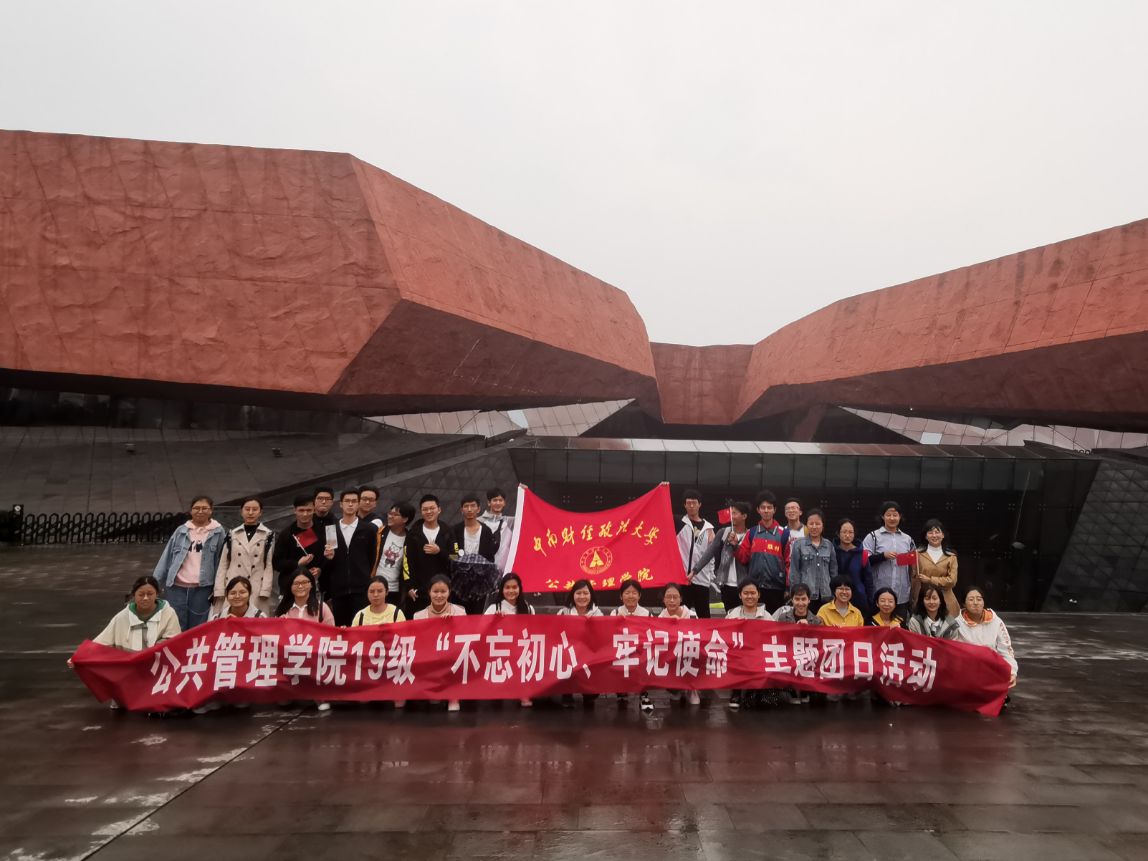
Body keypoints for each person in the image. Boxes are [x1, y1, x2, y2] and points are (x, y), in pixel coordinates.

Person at [152, 495, 227, 631]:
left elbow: (221, 561)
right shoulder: (181, 530)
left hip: (203, 589)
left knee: (198, 626)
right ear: (191, 511)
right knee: (174, 625)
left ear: (211, 510)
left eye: (204, 508)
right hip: (176, 587)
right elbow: (167, 557)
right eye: (196, 508)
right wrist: (154, 583)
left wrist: (218, 588)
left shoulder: (218, 532)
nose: (200, 511)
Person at [274, 568, 335, 712]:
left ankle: (319, 696)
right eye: (296, 583)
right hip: (290, 655)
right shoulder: (283, 608)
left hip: (315, 655)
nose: (300, 586)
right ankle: (287, 692)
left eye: (304, 583)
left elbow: (331, 634)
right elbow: (274, 636)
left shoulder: (321, 607)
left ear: (311, 585)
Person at [325, 489, 382, 627]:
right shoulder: (331, 529)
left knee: (360, 626)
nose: (350, 504)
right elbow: (329, 558)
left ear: (358, 504)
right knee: (341, 627)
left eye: (354, 501)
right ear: (341, 504)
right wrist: (329, 558)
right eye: (347, 501)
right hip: (338, 588)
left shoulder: (368, 529)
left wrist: (362, 574)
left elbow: (371, 557)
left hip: (361, 588)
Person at [412, 574, 465, 711]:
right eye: (435, 591)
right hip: (429, 656)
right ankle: (433, 689)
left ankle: (453, 695)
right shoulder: (418, 616)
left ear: (449, 592)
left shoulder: (459, 612)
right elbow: (417, 641)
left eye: (443, 591)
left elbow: (465, 637)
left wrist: (452, 624)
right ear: (429, 592)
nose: (439, 595)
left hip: (452, 655)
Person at [214, 496, 275, 616]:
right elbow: (223, 563)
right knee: (230, 619)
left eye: (255, 509)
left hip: (256, 585)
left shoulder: (268, 535)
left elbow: (269, 565)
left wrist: (265, 590)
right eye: (247, 509)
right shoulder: (232, 534)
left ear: (260, 512)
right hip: (233, 584)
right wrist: (220, 589)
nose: (250, 513)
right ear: (241, 512)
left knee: (255, 620)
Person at [89, 576, 181, 653]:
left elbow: (174, 643)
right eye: (141, 594)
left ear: (157, 595)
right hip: (129, 667)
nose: (145, 598)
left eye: (150, 594)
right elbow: (101, 643)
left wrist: (153, 651)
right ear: (134, 596)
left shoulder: (168, 613)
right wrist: (82, 656)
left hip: (157, 666)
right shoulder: (122, 617)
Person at [402, 495, 458, 616]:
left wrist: (440, 551)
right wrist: (409, 586)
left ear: (439, 510)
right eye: (425, 509)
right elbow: (407, 560)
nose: (429, 512)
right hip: (419, 591)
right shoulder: (413, 533)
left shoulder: (448, 532)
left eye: (432, 508)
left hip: (442, 591)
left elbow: (455, 558)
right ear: (421, 512)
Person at [484, 573, 534, 707]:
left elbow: (533, 631)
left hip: (520, 650)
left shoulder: (528, 608)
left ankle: (522, 692)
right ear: (502, 590)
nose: (511, 591)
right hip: (499, 651)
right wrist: (493, 621)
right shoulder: (493, 609)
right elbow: (481, 631)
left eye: (514, 587)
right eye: (507, 587)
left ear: (520, 589)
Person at [734, 491, 789, 612]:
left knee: (775, 621)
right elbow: (743, 557)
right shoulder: (752, 533)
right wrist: (735, 546)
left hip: (777, 589)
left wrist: (788, 587)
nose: (766, 511)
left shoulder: (784, 534)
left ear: (774, 510)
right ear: (758, 510)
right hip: (755, 588)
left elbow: (789, 563)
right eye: (763, 508)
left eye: (769, 507)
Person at [691, 501, 751, 612]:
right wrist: (695, 571)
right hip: (726, 584)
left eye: (735, 513)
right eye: (731, 513)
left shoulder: (751, 535)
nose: (732, 516)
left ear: (744, 516)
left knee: (745, 616)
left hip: (745, 585)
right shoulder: (724, 533)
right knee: (729, 615)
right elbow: (709, 553)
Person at [862, 501, 916, 620]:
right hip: (878, 594)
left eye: (895, 515)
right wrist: (883, 556)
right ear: (883, 516)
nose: (892, 518)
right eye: (888, 515)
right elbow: (864, 561)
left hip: (901, 595)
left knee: (899, 627)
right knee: (877, 627)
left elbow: (913, 567)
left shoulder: (907, 539)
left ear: (900, 517)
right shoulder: (873, 537)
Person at [724, 579, 773, 710]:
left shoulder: (767, 616)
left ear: (759, 595)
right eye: (746, 593)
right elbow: (724, 637)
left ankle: (755, 690)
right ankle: (736, 692)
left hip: (759, 655)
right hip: (738, 655)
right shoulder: (732, 615)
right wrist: (735, 625)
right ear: (740, 595)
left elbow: (773, 638)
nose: (749, 596)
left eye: (753, 593)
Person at [956, 587, 1017, 689]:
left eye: (979, 599)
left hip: (990, 671)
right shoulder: (956, 623)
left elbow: (1006, 651)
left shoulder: (996, 622)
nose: (975, 603)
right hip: (966, 673)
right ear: (964, 604)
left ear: (983, 602)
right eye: (971, 599)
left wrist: (1012, 671)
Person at [454, 493, 500, 615]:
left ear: (478, 509)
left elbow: (489, 558)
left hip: (480, 582)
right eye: (466, 506)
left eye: (473, 506)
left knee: (477, 614)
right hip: (460, 582)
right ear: (461, 510)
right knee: (460, 614)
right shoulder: (455, 530)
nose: (469, 509)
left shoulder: (486, 531)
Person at [558, 579, 601, 708]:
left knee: (591, 695)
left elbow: (601, 640)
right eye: (578, 593)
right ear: (573, 595)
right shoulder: (563, 613)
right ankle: (567, 693)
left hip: (588, 658)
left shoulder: (598, 615)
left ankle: (588, 694)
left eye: (585, 593)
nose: (582, 597)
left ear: (591, 595)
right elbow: (554, 636)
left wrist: (593, 625)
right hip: (568, 657)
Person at [272, 493, 327, 594]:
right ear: (295, 510)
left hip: (318, 588)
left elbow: (331, 557)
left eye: (308, 510)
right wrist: (297, 564)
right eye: (301, 510)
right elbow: (276, 563)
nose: (305, 514)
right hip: (290, 588)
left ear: (314, 510)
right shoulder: (286, 533)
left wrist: (320, 569)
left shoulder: (323, 531)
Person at [659, 582, 701, 706]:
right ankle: (676, 689)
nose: (672, 600)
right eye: (668, 597)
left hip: (689, 655)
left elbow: (700, 638)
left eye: (675, 597)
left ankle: (692, 689)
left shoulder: (692, 616)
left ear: (681, 599)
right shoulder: (660, 619)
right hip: (671, 658)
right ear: (663, 599)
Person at [613, 580, 652, 711]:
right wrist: (615, 622)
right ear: (621, 596)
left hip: (640, 651)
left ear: (639, 596)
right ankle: (621, 691)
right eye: (627, 593)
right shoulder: (615, 612)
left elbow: (652, 635)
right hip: (621, 651)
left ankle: (644, 694)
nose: (631, 596)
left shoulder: (647, 613)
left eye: (634, 593)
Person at [788, 509, 838, 612]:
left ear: (823, 525)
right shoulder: (799, 544)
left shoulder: (829, 545)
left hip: (826, 596)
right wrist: (796, 594)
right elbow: (794, 572)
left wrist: (834, 593)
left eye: (818, 524)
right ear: (807, 525)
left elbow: (834, 573)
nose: (814, 527)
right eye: (811, 524)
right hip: (805, 597)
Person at [677, 489, 715, 618]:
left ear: (700, 504)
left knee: (704, 616)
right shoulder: (678, 523)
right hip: (683, 578)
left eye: (694, 503)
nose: (692, 506)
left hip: (701, 578)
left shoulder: (709, 528)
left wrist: (711, 574)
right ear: (684, 505)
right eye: (688, 503)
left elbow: (711, 554)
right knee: (681, 615)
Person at [913, 519, 961, 618]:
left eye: (937, 532)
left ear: (943, 535)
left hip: (947, 600)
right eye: (930, 533)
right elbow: (913, 578)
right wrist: (913, 598)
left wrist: (930, 580)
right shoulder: (917, 554)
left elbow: (952, 581)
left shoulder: (951, 556)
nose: (934, 535)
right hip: (924, 599)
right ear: (926, 536)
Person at [375, 501, 414, 608]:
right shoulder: (380, 533)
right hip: (375, 586)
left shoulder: (410, 539)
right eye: (390, 513)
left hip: (394, 590)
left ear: (405, 519)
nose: (390, 516)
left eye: (395, 514)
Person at [834, 518, 875, 617]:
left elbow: (868, 581)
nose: (847, 535)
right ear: (838, 534)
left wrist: (869, 602)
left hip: (858, 601)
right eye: (844, 532)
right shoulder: (832, 552)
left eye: (850, 532)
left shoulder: (863, 554)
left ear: (854, 534)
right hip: (835, 600)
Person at [478, 487, 515, 572]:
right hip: (483, 569)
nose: (498, 503)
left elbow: (527, 515)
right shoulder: (478, 521)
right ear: (489, 503)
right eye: (495, 500)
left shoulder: (510, 522)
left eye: (500, 500)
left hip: (504, 570)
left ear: (504, 502)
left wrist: (525, 492)